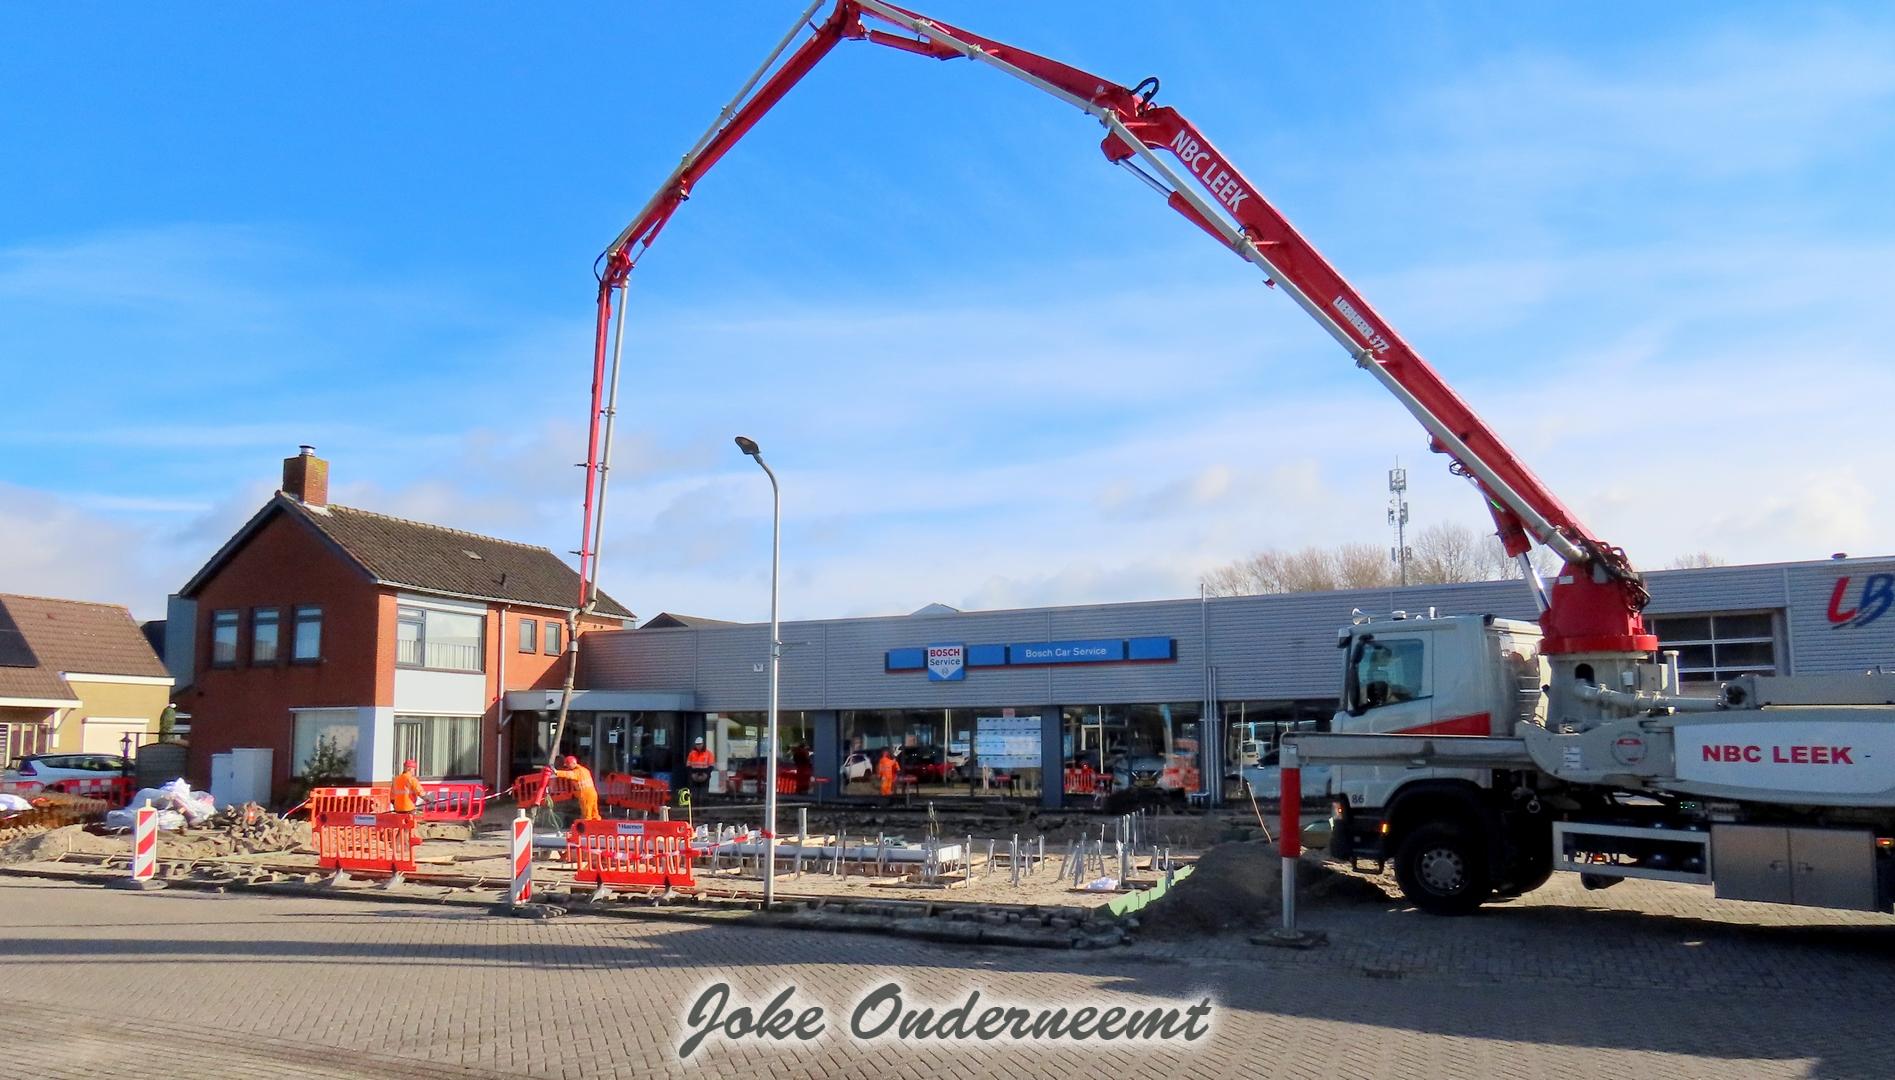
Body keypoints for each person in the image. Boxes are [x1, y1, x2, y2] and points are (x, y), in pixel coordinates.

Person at [553, 754, 601, 821]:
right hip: (593, 793)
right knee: (594, 813)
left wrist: (556, 772)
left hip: (585, 795)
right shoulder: (585, 770)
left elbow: (568, 774)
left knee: (587, 815)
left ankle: (587, 828)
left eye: (568, 765)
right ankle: (598, 826)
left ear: (572, 764)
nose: (567, 767)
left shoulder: (577, 772)